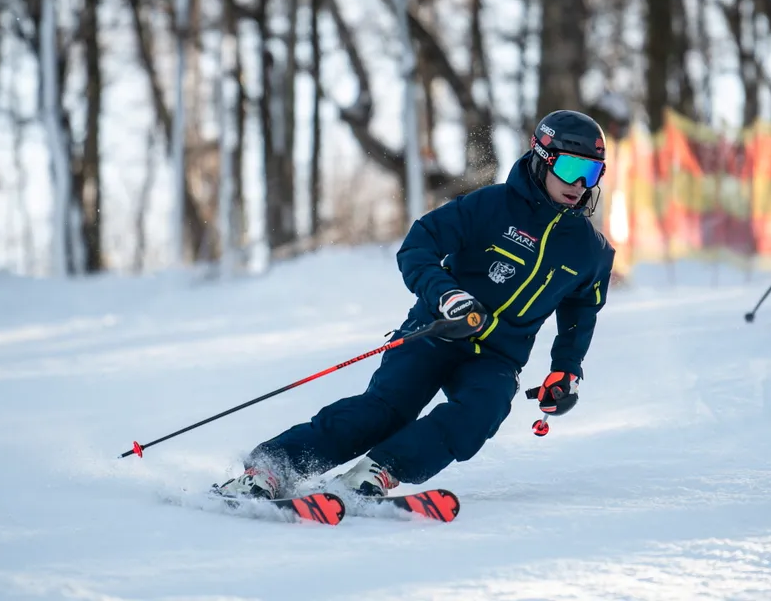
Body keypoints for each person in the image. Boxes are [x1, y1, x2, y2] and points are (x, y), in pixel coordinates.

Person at [217, 110, 615, 500]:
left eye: (592, 173)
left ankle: (377, 472)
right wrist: (447, 296)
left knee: (481, 412)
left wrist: (566, 370)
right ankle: (270, 468)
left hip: (497, 355)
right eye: (569, 168)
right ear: (542, 159)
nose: (580, 183)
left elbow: (582, 311)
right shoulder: (490, 207)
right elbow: (418, 245)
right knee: (386, 411)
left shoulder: (590, 251)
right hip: (437, 329)